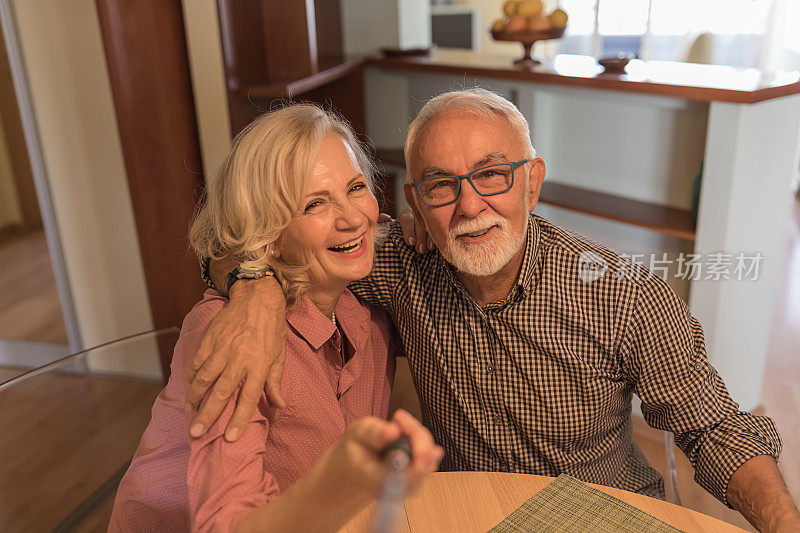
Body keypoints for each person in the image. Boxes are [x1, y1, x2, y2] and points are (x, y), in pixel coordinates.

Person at [189, 89, 800, 532]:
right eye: (441, 186)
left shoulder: (621, 293)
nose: (470, 206)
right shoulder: (399, 263)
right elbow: (266, 237)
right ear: (415, 204)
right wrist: (255, 284)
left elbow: (715, 429)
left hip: (604, 512)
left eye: (492, 175)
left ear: (533, 183)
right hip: (472, 512)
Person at [109, 104, 442, 532]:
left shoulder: (366, 298)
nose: (354, 219)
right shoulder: (235, 335)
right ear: (266, 229)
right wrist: (339, 486)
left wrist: (422, 217)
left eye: (356, 187)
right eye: (314, 204)